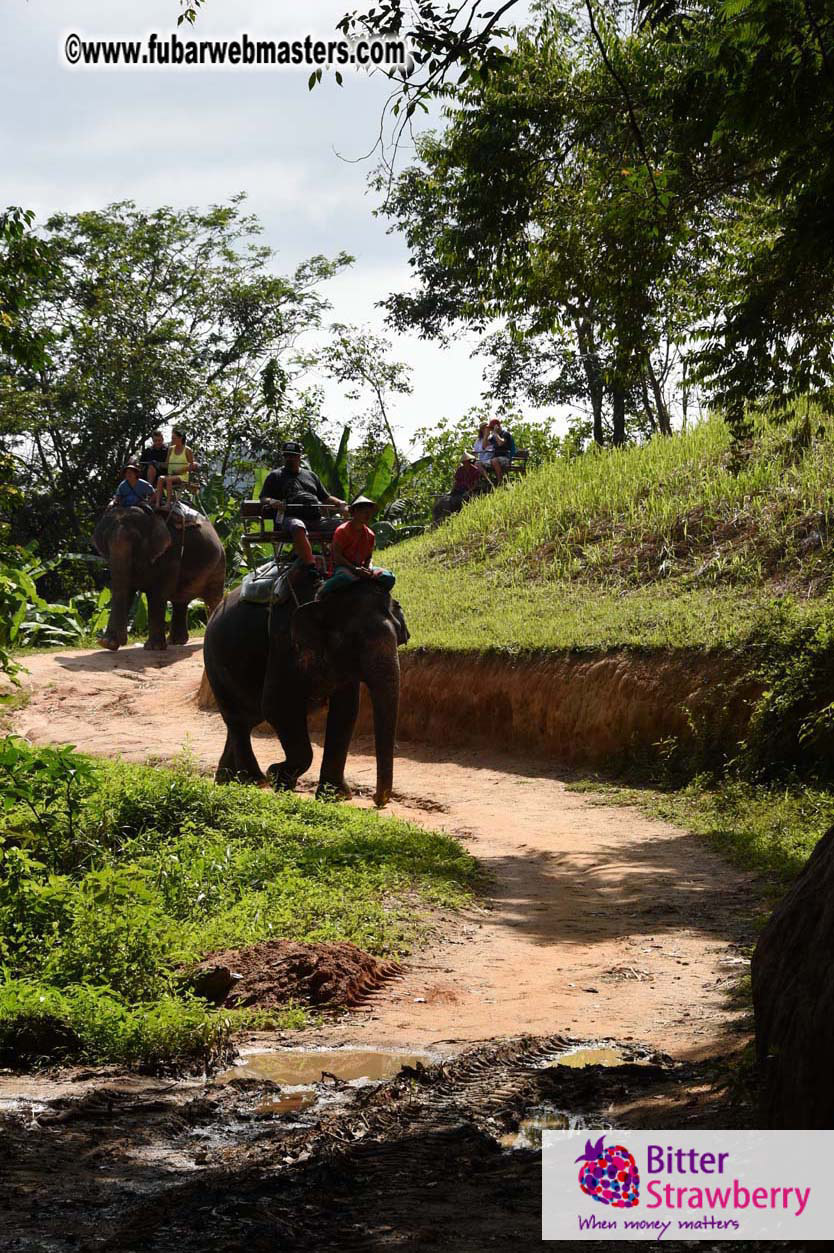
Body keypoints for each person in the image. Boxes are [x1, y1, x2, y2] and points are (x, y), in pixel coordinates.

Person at [259, 440, 348, 582]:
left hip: (315, 519)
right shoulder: (275, 476)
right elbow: (263, 498)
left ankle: (341, 562)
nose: (290, 458)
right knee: (297, 526)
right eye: (287, 456)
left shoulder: (311, 476)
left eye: (293, 456)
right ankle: (311, 567)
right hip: (289, 519)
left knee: (342, 527)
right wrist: (272, 501)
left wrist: (341, 503)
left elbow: (325, 497)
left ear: (300, 457)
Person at [318, 496, 395, 597]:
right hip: (345, 568)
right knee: (344, 579)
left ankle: (380, 599)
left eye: (369, 512)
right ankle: (321, 592)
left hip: (362, 568)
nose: (368, 515)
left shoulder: (370, 534)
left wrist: (367, 568)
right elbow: (337, 557)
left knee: (389, 577)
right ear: (354, 512)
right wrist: (355, 569)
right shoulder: (342, 531)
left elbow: (369, 557)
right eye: (364, 512)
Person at [155, 428, 197, 506]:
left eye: (174, 438)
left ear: (180, 438)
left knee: (168, 479)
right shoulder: (171, 449)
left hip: (182, 476)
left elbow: (192, 465)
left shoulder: (187, 450)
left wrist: (181, 470)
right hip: (171, 474)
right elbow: (167, 464)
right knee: (160, 478)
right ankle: (157, 503)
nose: (172, 440)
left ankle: (168, 504)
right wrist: (157, 464)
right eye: (172, 438)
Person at [488, 418, 517, 483]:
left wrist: (495, 433)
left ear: (497, 427)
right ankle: (487, 483)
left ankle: (500, 482)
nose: (491, 430)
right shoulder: (493, 436)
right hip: (496, 459)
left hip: (506, 458)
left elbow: (500, 443)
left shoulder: (505, 434)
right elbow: (484, 446)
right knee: (479, 463)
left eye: (492, 428)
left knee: (494, 460)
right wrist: (486, 433)